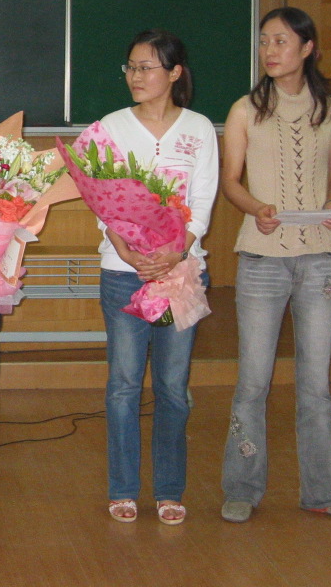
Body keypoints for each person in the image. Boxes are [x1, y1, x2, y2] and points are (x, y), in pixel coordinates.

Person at [220, 7, 331, 523]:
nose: (270, 50)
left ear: (308, 48)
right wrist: (256, 208)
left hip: (320, 260)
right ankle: (242, 488)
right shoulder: (245, 110)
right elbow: (231, 181)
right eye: (264, 41)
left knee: (316, 385)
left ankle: (323, 492)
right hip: (261, 260)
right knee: (253, 382)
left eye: (281, 41)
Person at [98, 30, 218, 525]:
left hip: (180, 273)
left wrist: (175, 252)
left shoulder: (199, 128)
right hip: (123, 273)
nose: (136, 76)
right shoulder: (110, 126)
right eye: (130, 67)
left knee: (172, 385)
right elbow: (103, 201)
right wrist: (128, 251)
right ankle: (123, 489)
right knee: (125, 384)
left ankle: (169, 489)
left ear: (174, 73)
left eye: (146, 67)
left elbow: (202, 201)